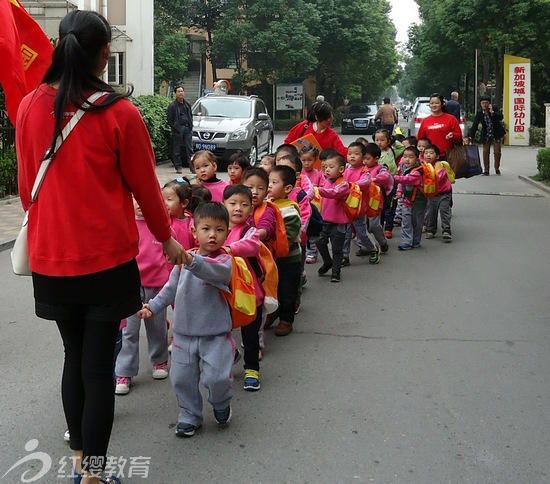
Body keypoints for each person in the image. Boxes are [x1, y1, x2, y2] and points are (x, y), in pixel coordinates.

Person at [15, 10, 185, 484]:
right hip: (107, 262)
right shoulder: (118, 112)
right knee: (97, 367)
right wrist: (167, 239)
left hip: (52, 259)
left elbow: (28, 188)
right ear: (104, 53)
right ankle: (93, 473)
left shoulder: (30, 105)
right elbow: (147, 189)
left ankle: (77, 465)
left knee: (74, 359)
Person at [138, 202, 234, 438]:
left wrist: (190, 262)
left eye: (220, 230)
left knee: (217, 378)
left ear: (227, 233)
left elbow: (215, 273)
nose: (213, 235)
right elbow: (169, 290)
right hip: (183, 334)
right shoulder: (184, 260)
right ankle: (189, 414)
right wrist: (153, 307)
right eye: (206, 228)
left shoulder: (224, 260)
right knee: (181, 378)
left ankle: (221, 402)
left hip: (216, 334)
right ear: (194, 231)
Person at [114, 200, 173, 396]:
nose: (140, 204)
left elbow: (171, 251)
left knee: (156, 326)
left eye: (143, 199)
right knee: (128, 330)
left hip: (156, 283)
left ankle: (159, 361)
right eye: (135, 199)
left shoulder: (160, 225)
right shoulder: (124, 223)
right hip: (129, 286)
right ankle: (124, 372)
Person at [222, 185, 264, 391]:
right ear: (223, 205)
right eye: (233, 203)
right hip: (224, 295)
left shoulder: (251, 231)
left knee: (250, 335)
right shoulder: (218, 230)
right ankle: (230, 357)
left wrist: (228, 249)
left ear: (251, 209)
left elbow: (252, 246)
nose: (238, 208)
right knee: (221, 333)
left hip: (250, 294)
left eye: (244, 205)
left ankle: (251, 369)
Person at [267, 165, 302, 336]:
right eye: (268, 182)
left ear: (287, 188)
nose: (269, 186)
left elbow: (289, 236)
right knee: (273, 288)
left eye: (274, 182)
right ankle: (273, 312)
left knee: (287, 290)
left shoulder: (290, 209)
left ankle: (286, 319)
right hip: (272, 258)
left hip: (289, 259)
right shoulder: (268, 204)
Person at [342, 142, 380, 266]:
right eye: (350, 153)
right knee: (346, 233)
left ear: (363, 157)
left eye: (356, 154)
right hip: (345, 208)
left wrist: (351, 185)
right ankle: (344, 255)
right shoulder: (345, 169)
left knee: (361, 232)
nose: (352, 156)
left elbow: (365, 182)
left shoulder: (364, 171)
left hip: (358, 209)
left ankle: (373, 248)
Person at [316, 153, 350, 283]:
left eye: (331, 167)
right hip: (324, 220)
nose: (327, 170)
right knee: (320, 242)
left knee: (337, 248)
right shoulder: (325, 180)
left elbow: (333, 193)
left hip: (338, 222)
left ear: (341, 169)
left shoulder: (343, 184)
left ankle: (336, 272)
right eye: (325, 167)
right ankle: (327, 262)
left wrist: (318, 189)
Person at [393, 146, 428, 250]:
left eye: (411, 157)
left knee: (417, 223)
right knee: (406, 222)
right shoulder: (404, 168)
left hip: (418, 202)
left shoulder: (418, 171)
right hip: (407, 200)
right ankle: (406, 241)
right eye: (405, 156)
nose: (407, 159)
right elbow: (402, 183)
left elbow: (406, 179)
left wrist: (394, 177)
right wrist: (399, 191)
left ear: (417, 159)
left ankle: (416, 241)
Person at [362, 143, 392, 252]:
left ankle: (383, 242)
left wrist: (374, 179)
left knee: (374, 225)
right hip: (361, 202)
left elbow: (385, 176)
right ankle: (365, 246)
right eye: (363, 158)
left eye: (367, 159)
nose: (365, 161)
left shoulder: (380, 168)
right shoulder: (361, 168)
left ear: (376, 159)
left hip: (375, 202)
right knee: (362, 226)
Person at [467, 96, 506, 175]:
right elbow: (475, 124)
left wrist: (492, 112)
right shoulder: (480, 112)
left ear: (489, 104)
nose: (484, 105)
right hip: (486, 134)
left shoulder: (494, 108)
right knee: (485, 152)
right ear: (480, 104)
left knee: (497, 152)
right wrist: (470, 136)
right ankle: (486, 170)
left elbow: (501, 117)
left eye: (486, 103)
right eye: (483, 103)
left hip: (496, 134)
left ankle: (497, 168)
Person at [417, 93, 462, 159]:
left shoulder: (451, 119)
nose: (434, 105)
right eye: (432, 103)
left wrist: (453, 135)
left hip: (447, 155)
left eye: (437, 103)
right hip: (430, 158)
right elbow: (420, 139)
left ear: (442, 104)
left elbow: (459, 136)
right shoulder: (425, 121)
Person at [423, 144, 453, 242]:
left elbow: (437, 178)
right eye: (426, 153)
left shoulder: (440, 166)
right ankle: (431, 230)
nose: (428, 155)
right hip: (431, 194)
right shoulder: (422, 166)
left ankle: (446, 230)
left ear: (437, 156)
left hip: (444, 193)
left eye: (431, 153)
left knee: (444, 211)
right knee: (431, 212)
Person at [162, 179, 196, 250]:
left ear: (184, 203)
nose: (164, 203)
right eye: (162, 199)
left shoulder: (192, 224)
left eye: (169, 199)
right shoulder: (162, 220)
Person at [167, 85, 194, 174]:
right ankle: (178, 167)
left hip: (187, 128)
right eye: (178, 91)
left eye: (182, 91)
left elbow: (190, 116)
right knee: (176, 149)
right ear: (175, 93)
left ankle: (192, 167)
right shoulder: (172, 106)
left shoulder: (187, 105)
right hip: (178, 129)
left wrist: (190, 125)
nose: (180, 93)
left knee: (189, 149)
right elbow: (169, 120)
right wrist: (176, 128)